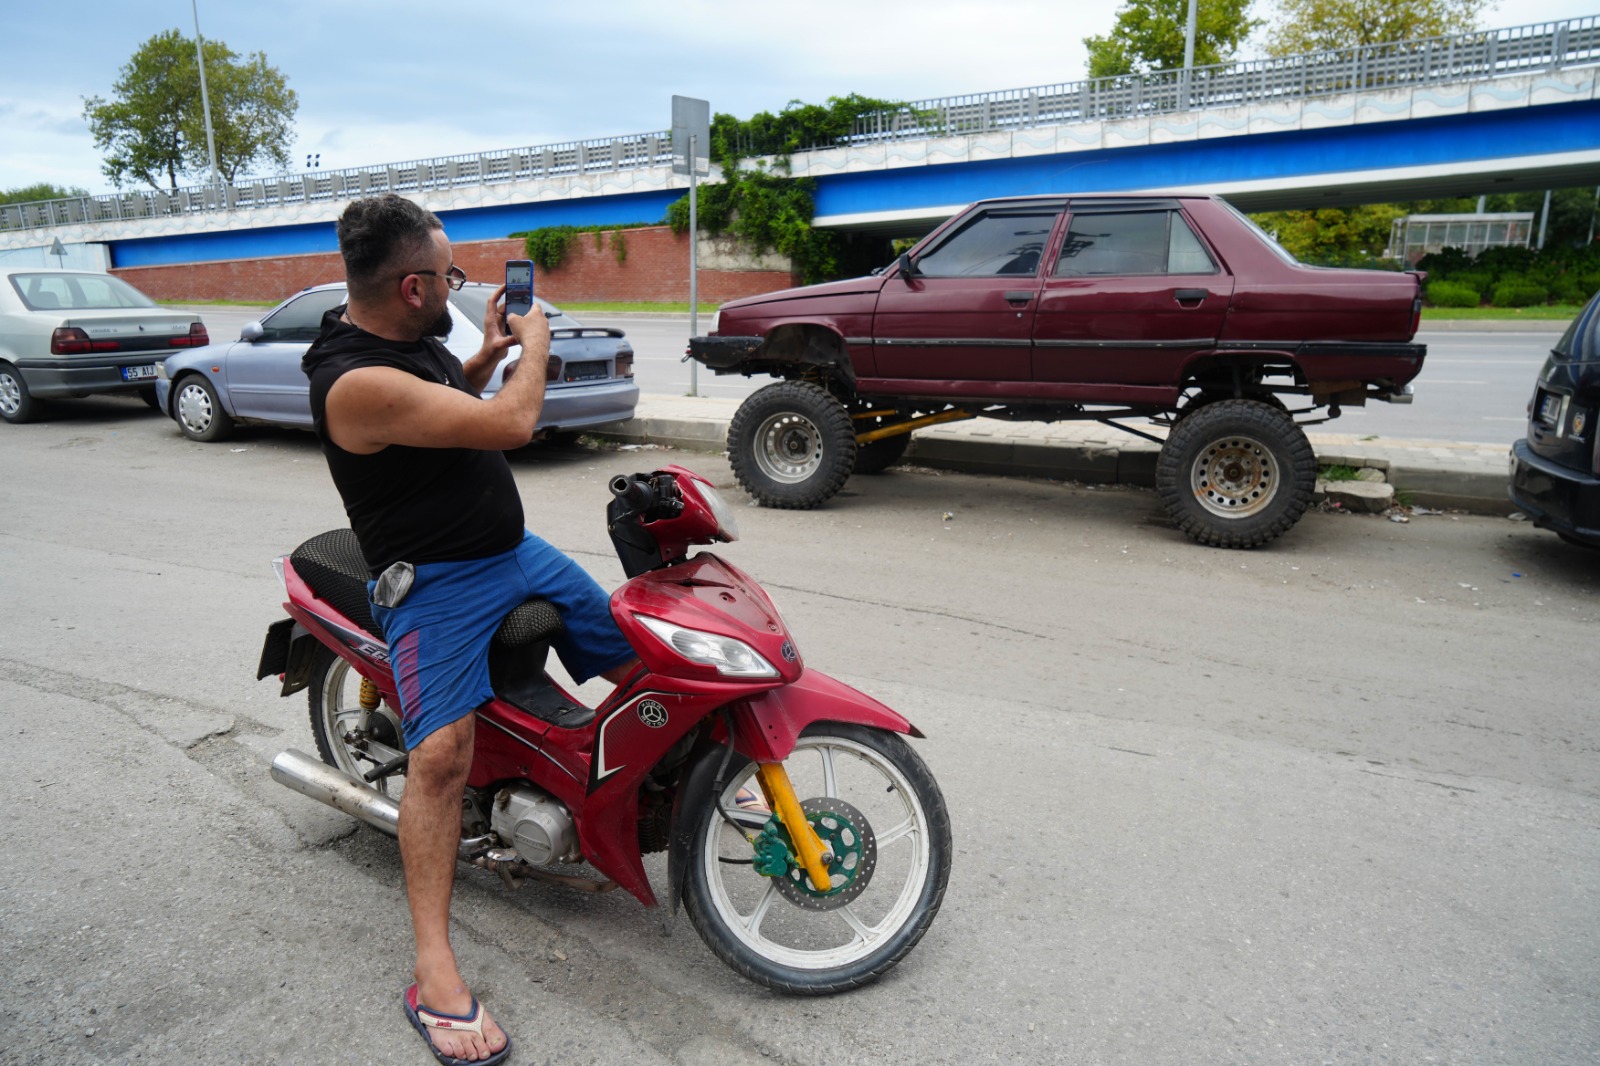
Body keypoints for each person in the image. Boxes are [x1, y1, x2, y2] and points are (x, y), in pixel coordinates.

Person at [302, 193, 637, 1065]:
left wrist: (484, 351)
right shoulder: (355, 380)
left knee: (631, 648)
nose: (459, 284)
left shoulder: (404, 339)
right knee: (442, 755)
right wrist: (533, 350)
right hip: (435, 585)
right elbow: (512, 424)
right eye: (449, 275)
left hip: (513, 552)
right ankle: (433, 965)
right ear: (412, 286)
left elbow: (449, 400)